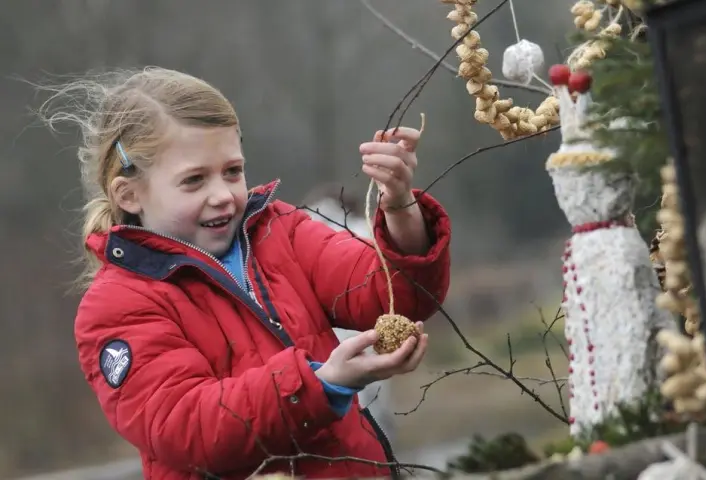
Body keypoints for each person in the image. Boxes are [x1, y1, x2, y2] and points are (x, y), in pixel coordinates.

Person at [42, 67, 451, 480]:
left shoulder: (280, 230)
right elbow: (189, 429)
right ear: (129, 195)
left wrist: (399, 206)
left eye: (232, 171)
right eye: (194, 180)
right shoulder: (116, 306)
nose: (222, 195)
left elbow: (395, 294)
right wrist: (322, 385)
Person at [302, 184, 397, 444]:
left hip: (328, 342)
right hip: (364, 336)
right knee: (372, 411)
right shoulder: (364, 231)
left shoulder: (306, 230)